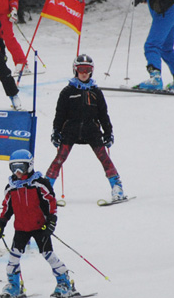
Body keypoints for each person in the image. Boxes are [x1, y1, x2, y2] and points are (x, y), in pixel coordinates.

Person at [0, 150, 77, 298]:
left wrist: (51, 221)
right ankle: (14, 286)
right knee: (13, 256)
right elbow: (7, 207)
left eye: (21, 167)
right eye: (14, 168)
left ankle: (64, 282)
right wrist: (1, 224)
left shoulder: (39, 184)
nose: (18, 172)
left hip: (40, 226)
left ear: (30, 166)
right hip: (21, 228)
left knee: (48, 254)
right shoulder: (11, 187)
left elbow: (51, 202)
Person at [45, 55, 126, 202]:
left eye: (87, 70)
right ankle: (45, 188)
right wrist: (56, 131)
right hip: (70, 130)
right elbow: (60, 114)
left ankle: (117, 187)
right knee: (59, 159)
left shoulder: (96, 92)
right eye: (81, 69)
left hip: (91, 130)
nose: (84, 73)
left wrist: (108, 133)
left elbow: (103, 114)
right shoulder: (67, 92)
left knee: (105, 159)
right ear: (75, 70)